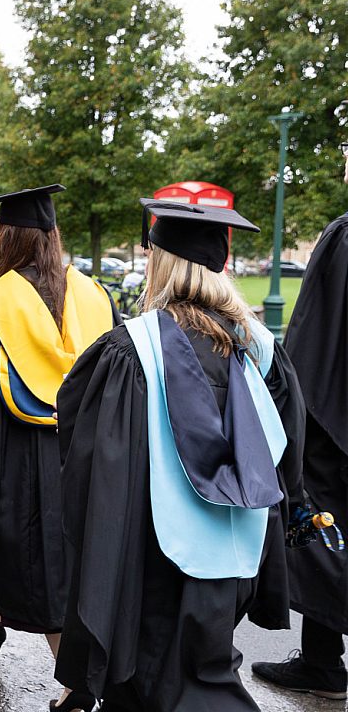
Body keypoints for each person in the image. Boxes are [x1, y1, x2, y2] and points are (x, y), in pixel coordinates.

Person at [54, 199, 306, 711]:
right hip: (237, 553)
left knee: (166, 686)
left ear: (160, 263)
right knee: (206, 670)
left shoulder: (131, 349)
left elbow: (92, 463)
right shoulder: (254, 345)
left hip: (157, 558)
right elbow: (289, 447)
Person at [0, 185, 117, 701]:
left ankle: (74, 682)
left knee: (37, 570)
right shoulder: (94, 296)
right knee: (59, 560)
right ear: (53, 236)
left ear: (7, 239)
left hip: (17, 466)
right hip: (84, 457)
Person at [252, 210, 348, 701]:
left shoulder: (343, 234)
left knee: (323, 533)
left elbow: (314, 339)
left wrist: (291, 409)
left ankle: (322, 664)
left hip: (336, 423)